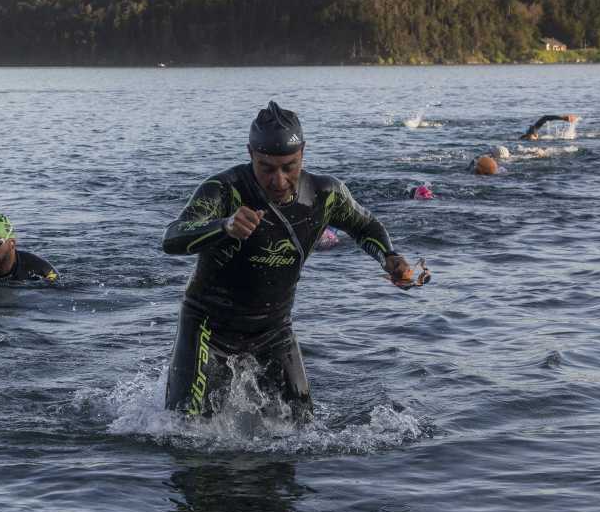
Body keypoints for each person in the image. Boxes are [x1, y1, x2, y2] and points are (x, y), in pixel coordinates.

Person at [161, 101, 424, 417]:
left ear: (303, 154)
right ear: (250, 154)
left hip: (274, 329)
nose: (279, 181)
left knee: (302, 425)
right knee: (183, 429)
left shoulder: (325, 194)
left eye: (289, 166)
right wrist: (224, 226)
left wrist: (390, 257)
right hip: (208, 328)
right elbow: (173, 236)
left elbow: (363, 223)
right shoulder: (225, 189)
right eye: (266, 168)